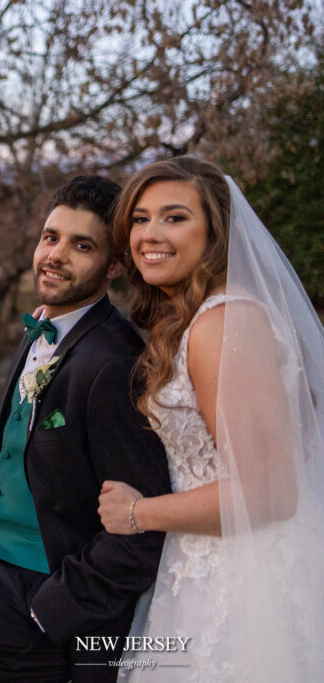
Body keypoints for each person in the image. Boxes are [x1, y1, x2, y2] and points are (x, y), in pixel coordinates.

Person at [0, 176, 172, 683]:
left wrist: (53, 609)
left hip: (42, 614)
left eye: (82, 245)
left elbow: (144, 525)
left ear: (114, 265)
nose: (56, 255)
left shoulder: (114, 363)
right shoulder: (44, 328)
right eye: (51, 237)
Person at [97, 156, 324, 680]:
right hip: (200, 562)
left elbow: (268, 492)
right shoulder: (186, 317)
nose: (150, 234)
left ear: (215, 234)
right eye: (139, 218)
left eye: (174, 217)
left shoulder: (223, 324)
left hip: (246, 578)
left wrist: (139, 513)